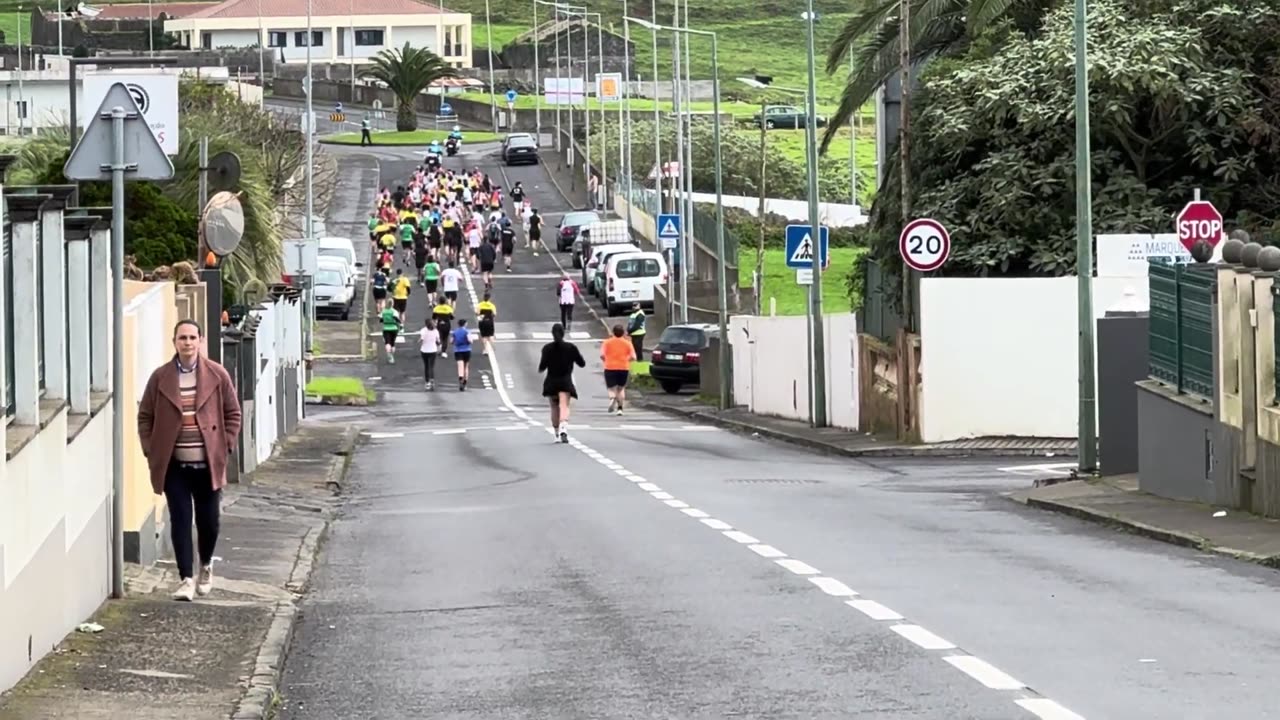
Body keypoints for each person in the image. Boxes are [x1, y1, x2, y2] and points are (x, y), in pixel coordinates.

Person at [137, 319, 242, 601]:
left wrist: (225, 445)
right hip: (175, 466)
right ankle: (185, 578)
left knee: (209, 522)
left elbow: (233, 413)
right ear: (175, 342)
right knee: (181, 521)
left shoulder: (217, 375)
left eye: (192, 338)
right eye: (182, 338)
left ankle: (205, 565)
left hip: (208, 464)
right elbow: (145, 416)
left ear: (200, 341)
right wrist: (152, 449)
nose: (187, 343)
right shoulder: (160, 378)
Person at [538, 323, 586, 443]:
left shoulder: (547, 348)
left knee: (554, 407)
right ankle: (563, 428)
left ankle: (556, 434)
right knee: (564, 405)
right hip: (565, 380)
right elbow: (582, 363)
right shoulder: (571, 348)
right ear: (563, 333)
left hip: (551, 381)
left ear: (552, 334)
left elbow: (542, 367)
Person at [601, 324, 636, 415]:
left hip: (610, 367)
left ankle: (612, 398)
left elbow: (602, 355)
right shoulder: (627, 343)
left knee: (611, 388)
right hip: (623, 367)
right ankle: (620, 409)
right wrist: (626, 360)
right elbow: (633, 357)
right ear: (623, 333)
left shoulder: (607, 342)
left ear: (613, 332)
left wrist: (606, 360)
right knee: (621, 389)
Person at [419, 317, 441, 390]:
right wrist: (439, 347)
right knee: (431, 366)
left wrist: (419, 341)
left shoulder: (423, 330)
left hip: (424, 350)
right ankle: (432, 381)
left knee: (426, 366)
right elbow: (438, 341)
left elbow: (421, 340)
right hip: (433, 350)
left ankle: (427, 382)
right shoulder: (435, 331)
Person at [451, 318, 473, 391]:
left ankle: (460, 379)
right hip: (466, 350)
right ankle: (465, 383)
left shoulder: (455, 332)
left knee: (460, 366)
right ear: (465, 324)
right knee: (466, 366)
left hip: (458, 350)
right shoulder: (467, 331)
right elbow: (470, 341)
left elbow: (451, 341)